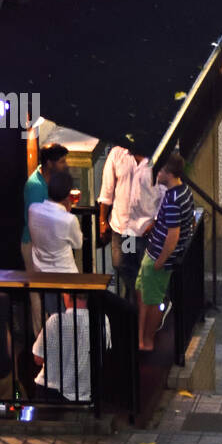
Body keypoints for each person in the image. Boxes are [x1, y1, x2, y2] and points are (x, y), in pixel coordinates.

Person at [136, 152, 195, 351]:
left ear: (168, 173)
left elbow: (173, 236)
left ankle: (146, 341)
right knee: (144, 292)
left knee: (152, 300)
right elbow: (187, 223)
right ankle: (141, 337)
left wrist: (160, 261)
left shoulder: (172, 199)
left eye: (160, 170)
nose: (156, 173)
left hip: (157, 257)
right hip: (154, 254)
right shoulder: (184, 192)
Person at [98, 138, 164, 301]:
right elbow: (107, 191)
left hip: (147, 230)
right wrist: (102, 220)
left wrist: (156, 221)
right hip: (124, 229)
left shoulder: (158, 159)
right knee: (123, 265)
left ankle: (146, 305)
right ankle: (139, 304)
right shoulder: (117, 155)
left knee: (146, 270)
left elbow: (165, 195)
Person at [20, 144, 69, 332]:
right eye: (62, 161)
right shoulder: (35, 187)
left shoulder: (54, 180)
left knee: (50, 292)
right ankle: (41, 340)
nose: (65, 164)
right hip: (34, 244)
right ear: (49, 163)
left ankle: (54, 336)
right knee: (38, 294)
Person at [33, 291, 112, 403]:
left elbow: (38, 358)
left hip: (52, 390)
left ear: (67, 295)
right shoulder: (102, 320)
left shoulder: (55, 321)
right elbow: (104, 352)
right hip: (86, 392)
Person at [28, 170, 82, 275]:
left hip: (40, 272)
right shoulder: (69, 219)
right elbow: (78, 244)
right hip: (66, 274)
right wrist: (66, 210)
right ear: (68, 195)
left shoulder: (32, 209)